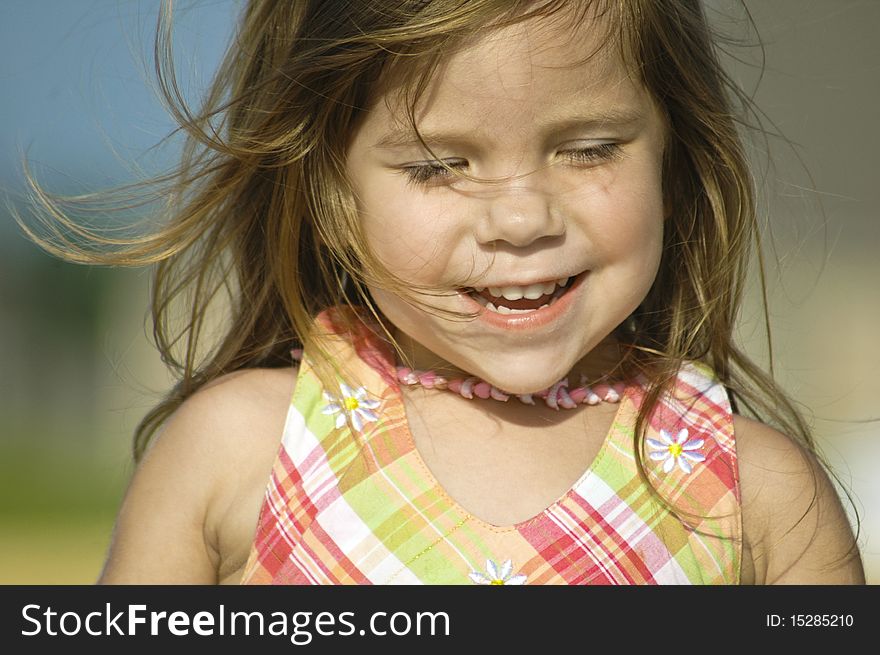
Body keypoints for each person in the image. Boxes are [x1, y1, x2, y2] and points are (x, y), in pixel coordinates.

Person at [24, 0, 864, 585]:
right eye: (436, 164)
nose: (522, 216)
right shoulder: (238, 451)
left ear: (674, 156)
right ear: (330, 194)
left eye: (589, 147)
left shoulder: (759, 495)